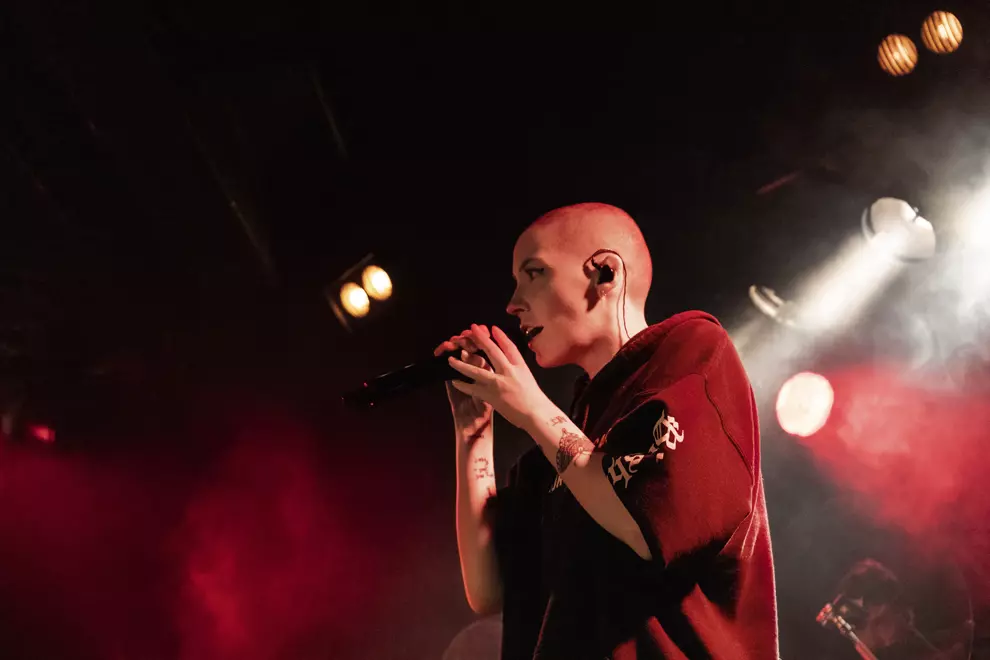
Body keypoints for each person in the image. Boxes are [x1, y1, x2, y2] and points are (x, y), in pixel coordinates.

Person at [434, 203, 779, 659]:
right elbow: (488, 590)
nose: (513, 304)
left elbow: (642, 523)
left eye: (534, 274)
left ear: (605, 274)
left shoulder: (692, 351)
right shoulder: (562, 437)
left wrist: (531, 408)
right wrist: (473, 431)